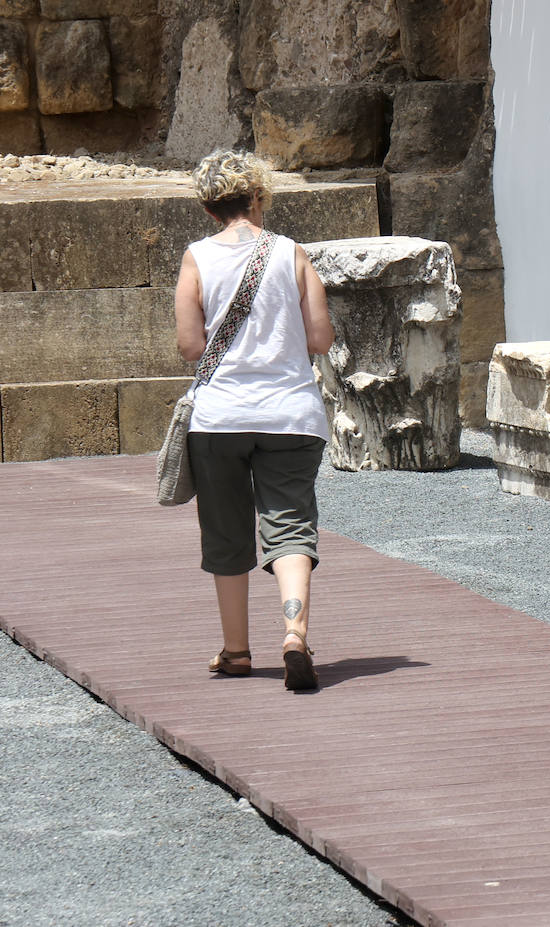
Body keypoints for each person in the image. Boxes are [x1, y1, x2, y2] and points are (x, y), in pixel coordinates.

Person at [173, 149, 335, 691]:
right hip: (291, 413)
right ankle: (294, 633)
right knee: (290, 526)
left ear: (208, 209)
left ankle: (237, 652)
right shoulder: (292, 253)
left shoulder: (196, 257)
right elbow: (321, 338)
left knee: (227, 535)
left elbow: (190, 347)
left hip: (219, 418)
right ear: (258, 196)